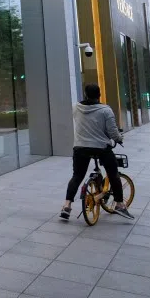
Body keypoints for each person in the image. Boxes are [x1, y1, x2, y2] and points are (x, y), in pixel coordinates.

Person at [60, 84, 134, 220]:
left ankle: (66, 206)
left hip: (80, 147)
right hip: (101, 148)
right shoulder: (106, 110)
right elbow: (112, 131)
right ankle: (119, 205)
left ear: (85, 94)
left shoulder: (76, 108)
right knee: (113, 174)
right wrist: (119, 139)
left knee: (77, 176)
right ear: (99, 95)